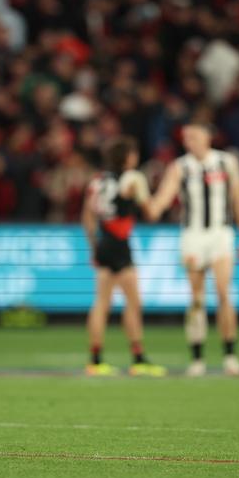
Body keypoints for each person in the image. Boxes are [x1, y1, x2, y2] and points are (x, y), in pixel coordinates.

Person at [148, 123, 239, 376]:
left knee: (223, 293)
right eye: (185, 139)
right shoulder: (180, 167)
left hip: (220, 234)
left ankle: (229, 354)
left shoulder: (227, 163)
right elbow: (165, 195)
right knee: (196, 298)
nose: (188, 142)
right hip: (192, 236)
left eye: (193, 137)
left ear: (207, 137)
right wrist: (153, 207)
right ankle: (197, 357)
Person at [81, 137, 167, 377]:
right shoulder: (133, 178)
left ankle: (96, 360)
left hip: (103, 240)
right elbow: (150, 212)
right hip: (120, 242)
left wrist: (93, 247)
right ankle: (138, 358)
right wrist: (160, 200)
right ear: (128, 157)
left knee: (101, 303)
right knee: (133, 302)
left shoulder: (98, 180)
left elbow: (87, 217)